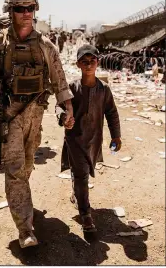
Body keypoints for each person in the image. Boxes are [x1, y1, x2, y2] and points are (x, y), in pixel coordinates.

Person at [0, 0, 74, 248]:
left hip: (35, 115)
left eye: (30, 8)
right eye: (20, 8)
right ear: (11, 10)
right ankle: (25, 229)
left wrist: (67, 110)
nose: (26, 13)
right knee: (16, 169)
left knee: (28, 165)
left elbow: (60, 82)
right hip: (9, 115)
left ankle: (23, 205)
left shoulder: (46, 46)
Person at [56, 44, 121, 232]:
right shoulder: (72, 88)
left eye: (92, 61)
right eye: (84, 61)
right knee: (82, 174)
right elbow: (59, 106)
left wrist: (116, 136)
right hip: (75, 139)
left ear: (98, 62)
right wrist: (63, 117)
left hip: (94, 140)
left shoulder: (104, 89)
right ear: (78, 64)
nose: (89, 65)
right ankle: (86, 215)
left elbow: (112, 113)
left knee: (81, 173)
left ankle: (77, 195)